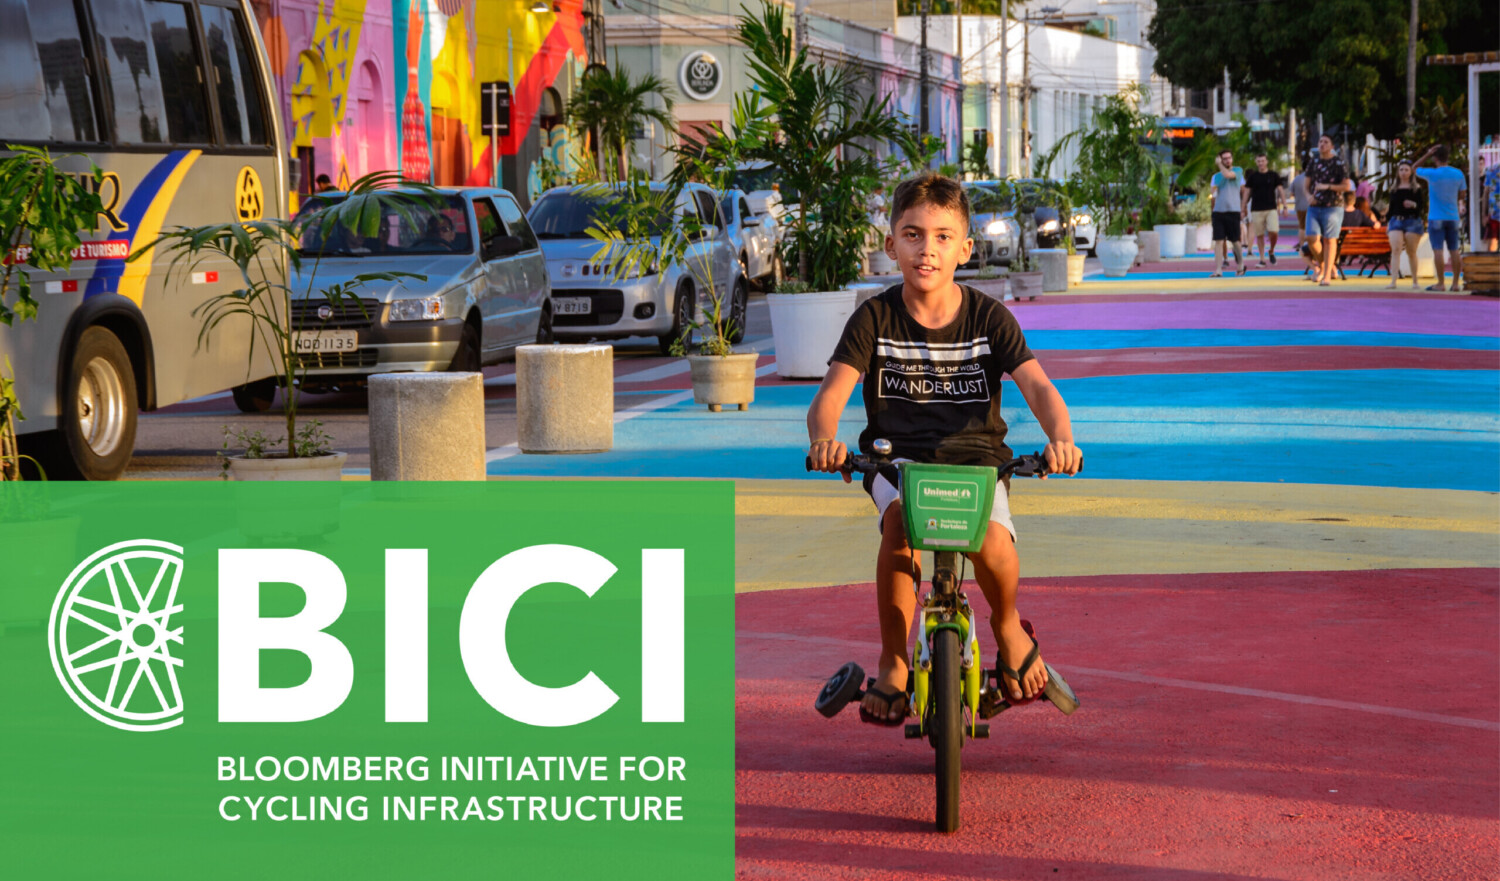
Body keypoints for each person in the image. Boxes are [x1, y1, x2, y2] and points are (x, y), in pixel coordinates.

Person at [806, 172, 1083, 721]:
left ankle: (1007, 624)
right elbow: (830, 395)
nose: (926, 249)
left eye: (941, 236)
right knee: (901, 531)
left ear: (965, 248)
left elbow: (1039, 387)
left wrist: (1062, 439)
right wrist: (824, 440)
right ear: (890, 245)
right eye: (912, 234)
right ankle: (893, 662)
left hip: (978, 461)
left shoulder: (988, 318)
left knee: (995, 544)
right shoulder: (874, 318)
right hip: (895, 459)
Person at [1413, 143, 1466, 291]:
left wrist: (1427, 154)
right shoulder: (1458, 174)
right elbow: (1462, 194)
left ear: (1435, 158)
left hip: (1436, 216)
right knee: (1454, 250)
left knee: (1438, 250)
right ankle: (1455, 284)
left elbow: (1414, 168)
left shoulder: (1432, 174)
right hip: (1453, 216)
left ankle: (1441, 283)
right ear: (1448, 157)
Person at [1303, 135, 1351, 286]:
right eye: (1320, 142)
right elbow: (1306, 184)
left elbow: (1346, 186)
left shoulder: (1339, 163)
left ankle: (1327, 276)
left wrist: (1328, 187)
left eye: (1326, 142)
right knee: (1311, 237)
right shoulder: (1313, 162)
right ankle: (1324, 265)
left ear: (1332, 146)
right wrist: (1308, 196)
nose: (1322, 144)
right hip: (1314, 206)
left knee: (1329, 239)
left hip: (1333, 207)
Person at [1384, 159, 1426, 291]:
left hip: (1412, 220)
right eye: (1401, 170)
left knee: (1411, 252)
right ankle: (1393, 281)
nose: (1403, 172)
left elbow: (1422, 207)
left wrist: (1413, 204)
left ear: (1411, 172)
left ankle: (1415, 280)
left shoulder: (1416, 188)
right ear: (1398, 172)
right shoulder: (1394, 188)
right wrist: (1387, 222)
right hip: (1396, 220)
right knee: (1395, 250)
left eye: (1406, 170)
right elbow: (1391, 207)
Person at [1242, 153, 1287, 266]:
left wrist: (1285, 205)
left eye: (1263, 161)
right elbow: (1246, 192)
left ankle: (1271, 250)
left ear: (1267, 162)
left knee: (1274, 231)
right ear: (1256, 163)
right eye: (1258, 161)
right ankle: (1262, 259)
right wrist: (1243, 208)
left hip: (1271, 208)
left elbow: (1281, 190)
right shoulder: (1253, 177)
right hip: (1256, 209)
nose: (1261, 163)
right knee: (1260, 235)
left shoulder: (1273, 175)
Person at [1209, 149, 1247, 277]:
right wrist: (1211, 209)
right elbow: (1213, 193)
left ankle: (1240, 264)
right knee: (1219, 241)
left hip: (1233, 211)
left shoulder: (1238, 171)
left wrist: (1243, 207)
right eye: (1224, 159)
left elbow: (1228, 175)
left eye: (1229, 158)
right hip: (1219, 211)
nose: (1227, 160)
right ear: (1220, 159)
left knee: (1235, 240)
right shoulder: (1215, 176)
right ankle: (1218, 269)